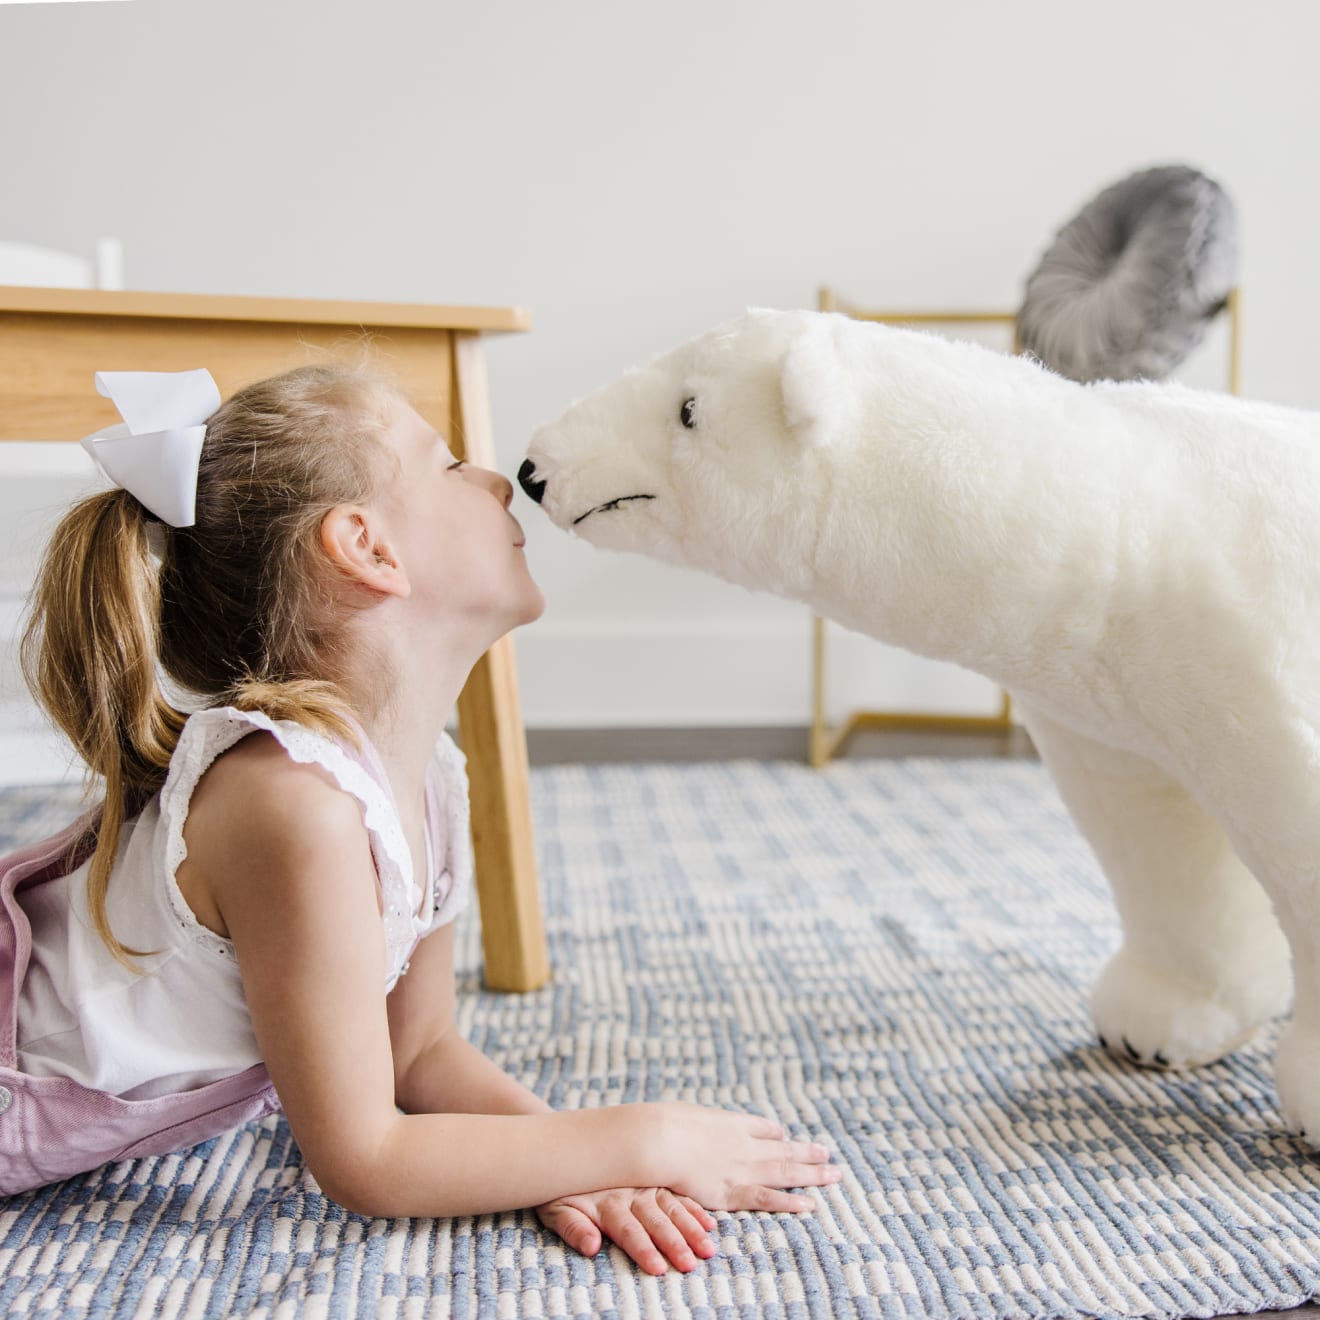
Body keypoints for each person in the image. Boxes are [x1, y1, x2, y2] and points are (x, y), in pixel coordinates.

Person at [0, 364, 838, 1273]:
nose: (491, 478)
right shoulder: (293, 805)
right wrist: (642, 1138)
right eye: (447, 466)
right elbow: (366, 1157)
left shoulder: (426, 775)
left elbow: (419, 1053)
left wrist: (572, 1165)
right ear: (367, 547)